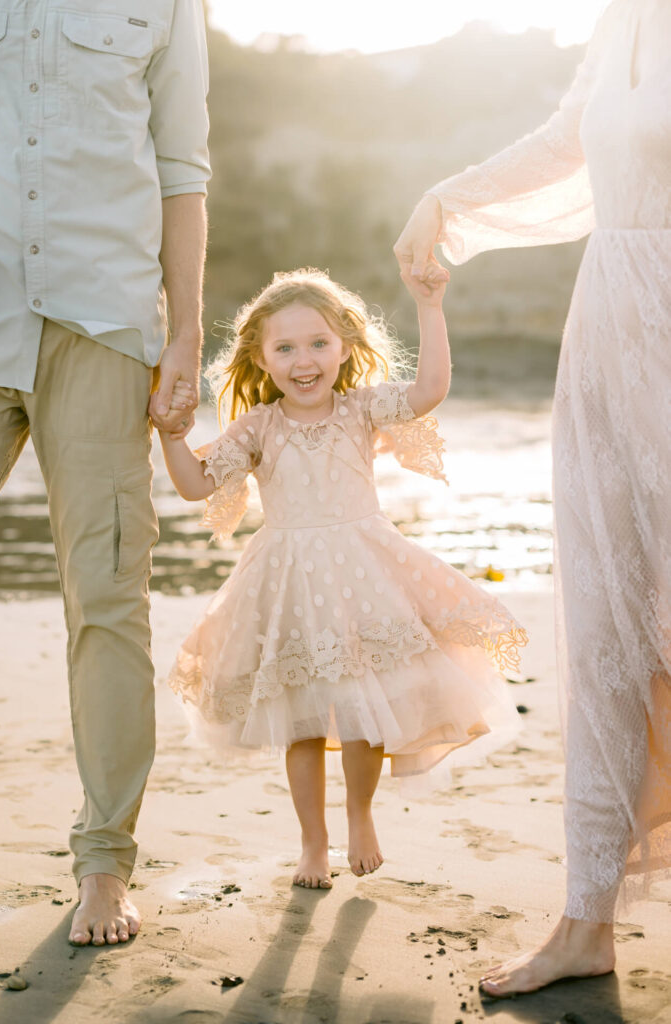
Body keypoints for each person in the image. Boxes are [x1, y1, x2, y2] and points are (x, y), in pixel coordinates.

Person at [394, 0, 671, 996]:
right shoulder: (617, 21)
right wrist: (447, 198)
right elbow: (564, 142)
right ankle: (584, 920)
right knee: (605, 620)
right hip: (608, 332)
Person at [159, 267, 527, 889]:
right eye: (286, 348)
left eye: (318, 343)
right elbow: (195, 484)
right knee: (300, 722)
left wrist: (428, 304)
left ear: (345, 346)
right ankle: (312, 844)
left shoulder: (361, 409)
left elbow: (431, 388)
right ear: (261, 357)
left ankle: (360, 816)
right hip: (289, 587)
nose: (305, 361)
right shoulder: (260, 427)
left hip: (365, 576)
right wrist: (171, 436)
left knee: (364, 711)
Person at [0, 0, 211, 946]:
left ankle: (104, 864)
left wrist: (188, 328)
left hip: (106, 323)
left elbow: (181, 165)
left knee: (109, 596)